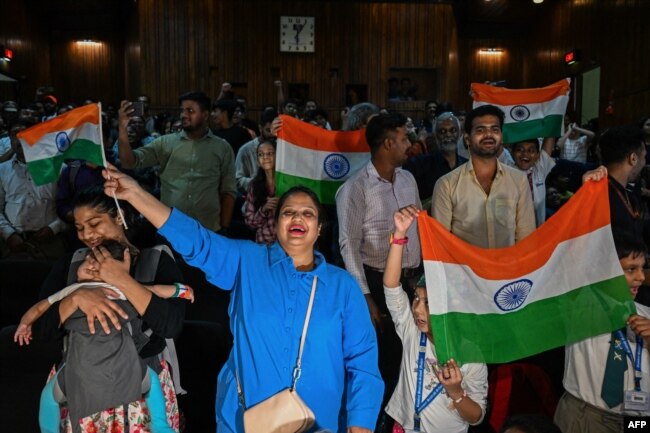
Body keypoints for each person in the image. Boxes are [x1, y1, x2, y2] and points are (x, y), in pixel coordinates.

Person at [102, 164, 384, 433]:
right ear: (276, 223)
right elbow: (197, 240)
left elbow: (362, 360)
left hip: (320, 420)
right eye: (288, 212)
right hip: (244, 418)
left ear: (320, 227)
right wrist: (136, 195)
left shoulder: (342, 286)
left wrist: (360, 422)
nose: (297, 218)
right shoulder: (247, 261)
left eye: (307, 214)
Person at [33, 186, 186, 433]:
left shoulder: (155, 260)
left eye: (94, 223)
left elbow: (171, 326)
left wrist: (123, 281)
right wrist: (76, 298)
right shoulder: (71, 265)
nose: (87, 235)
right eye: (80, 227)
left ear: (119, 216)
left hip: (140, 389)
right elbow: (40, 330)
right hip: (82, 382)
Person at [336, 113, 421, 430]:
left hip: (413, 279)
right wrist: (367, 297)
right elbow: (348, 246)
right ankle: (381, 422)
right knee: (387, 359)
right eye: (403, 138)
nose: (408, 144)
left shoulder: (408, 179)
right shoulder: (355, 188)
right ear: (388, 143)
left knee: (413, 352)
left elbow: (420, 228)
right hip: (377, 282)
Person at [383, 206, 487, 433]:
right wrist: (399, 235)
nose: (418, 309)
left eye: (429, 303)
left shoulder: (471, 353)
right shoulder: (412, 331)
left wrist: (456, 392)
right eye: (416, 298)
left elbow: (477, 417)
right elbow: (391, 287)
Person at [15, 239, 193, 346]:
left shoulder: (118, 287)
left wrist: (180, 290)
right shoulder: (71, 290)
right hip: (82, 350)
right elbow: (41, 308)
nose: (92, 267)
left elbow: (155, 291)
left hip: (123, 350)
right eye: (89, 262)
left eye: (98, 266)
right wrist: (25, 323)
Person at [554, 235, 650, 432]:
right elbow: (568, 260)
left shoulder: (646, 314)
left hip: (638, 421)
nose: (641, 277)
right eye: (631, 269)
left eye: (643, 268)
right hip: (587, 415)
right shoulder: (579, 304)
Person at [116, 91, 237, 233]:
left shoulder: (222, 147)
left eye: (190, 111)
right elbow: (129, 162)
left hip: (208, 229)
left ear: (205, 115)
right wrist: (122, 129)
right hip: (171, 229)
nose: (184, 115)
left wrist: (224, 228)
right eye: (182, 111)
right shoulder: (165, 143)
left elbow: (228, 191)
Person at [432, 105, 536, 248]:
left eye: (495, 129)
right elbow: (440, 242)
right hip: (464, 269)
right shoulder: (446, 184)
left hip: (507, 267)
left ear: (501, 136)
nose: (489, 135)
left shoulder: (518, 180)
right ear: (467, 139)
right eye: (480, 130)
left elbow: (526, 238)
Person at [0, 121, 68, 259]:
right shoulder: (2, 170)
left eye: (27, 134)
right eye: (15, 135)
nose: (21, 139)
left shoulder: (59, 168)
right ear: (10, 139)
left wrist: (54, 228)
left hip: (50, 242)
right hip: (11, 244)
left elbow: (70, 206)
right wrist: (9, 234)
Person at [404, 112, 467, 206]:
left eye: (453, 130)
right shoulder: (418, 165)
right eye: (442, 131)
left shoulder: (468, 166)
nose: (448, 135)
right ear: (435, 136)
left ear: (459, 134)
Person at [511, 137, 556, 226]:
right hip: (512, 233)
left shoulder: (539, 170)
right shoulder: (505, 171)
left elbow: (551, 135)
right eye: (520, 150)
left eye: (531, 150)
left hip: (537, 232)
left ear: (537, 155)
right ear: (512, 153)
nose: (525, 154)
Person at [244, 140, 278, 244]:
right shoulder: (254, 186)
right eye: (260, 154)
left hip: (286, 245)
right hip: (263, 244)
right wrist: (263, 210)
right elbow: (250, 222)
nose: (265, 157)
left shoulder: (288, 183)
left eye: (270, 153)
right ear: (258, 161)